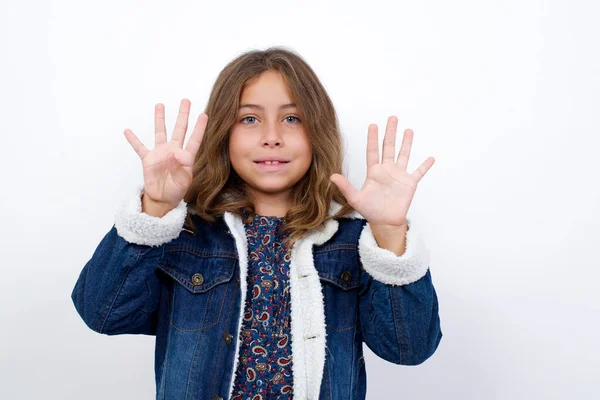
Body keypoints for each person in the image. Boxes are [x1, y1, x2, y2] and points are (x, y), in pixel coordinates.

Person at [71, 47, 442, 400]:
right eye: (249, 119)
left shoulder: (352, 244)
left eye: (292, 118)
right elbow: (103, 313)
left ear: (316, 132)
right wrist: (153, 209)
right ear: (223, 134)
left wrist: (390, 233)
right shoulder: (186, 235)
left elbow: (409, 349)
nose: (271, 138)